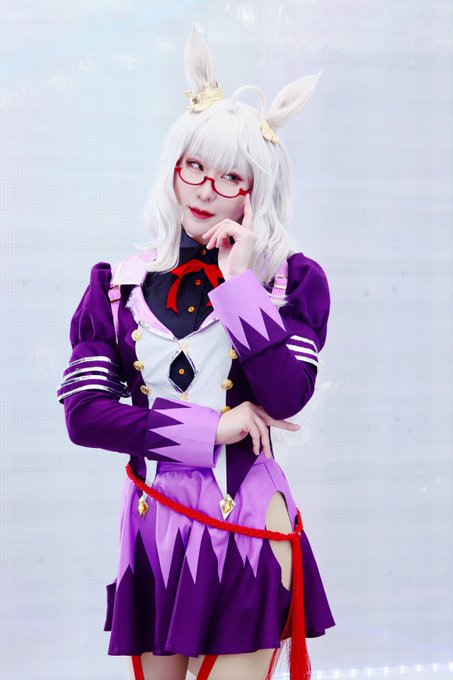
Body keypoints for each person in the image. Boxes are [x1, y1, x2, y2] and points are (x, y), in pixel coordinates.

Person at [57, 25, 335, 680]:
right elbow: (84, 417)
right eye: (195, 168)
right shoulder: (116, 287)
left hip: (246, 515)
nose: (207, 190)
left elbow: (287, 395)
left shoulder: (289, 282)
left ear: (256, 190)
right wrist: (212, 427)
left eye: (231, 176)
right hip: (155, 521)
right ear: (173, 169)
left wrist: (239, 287)